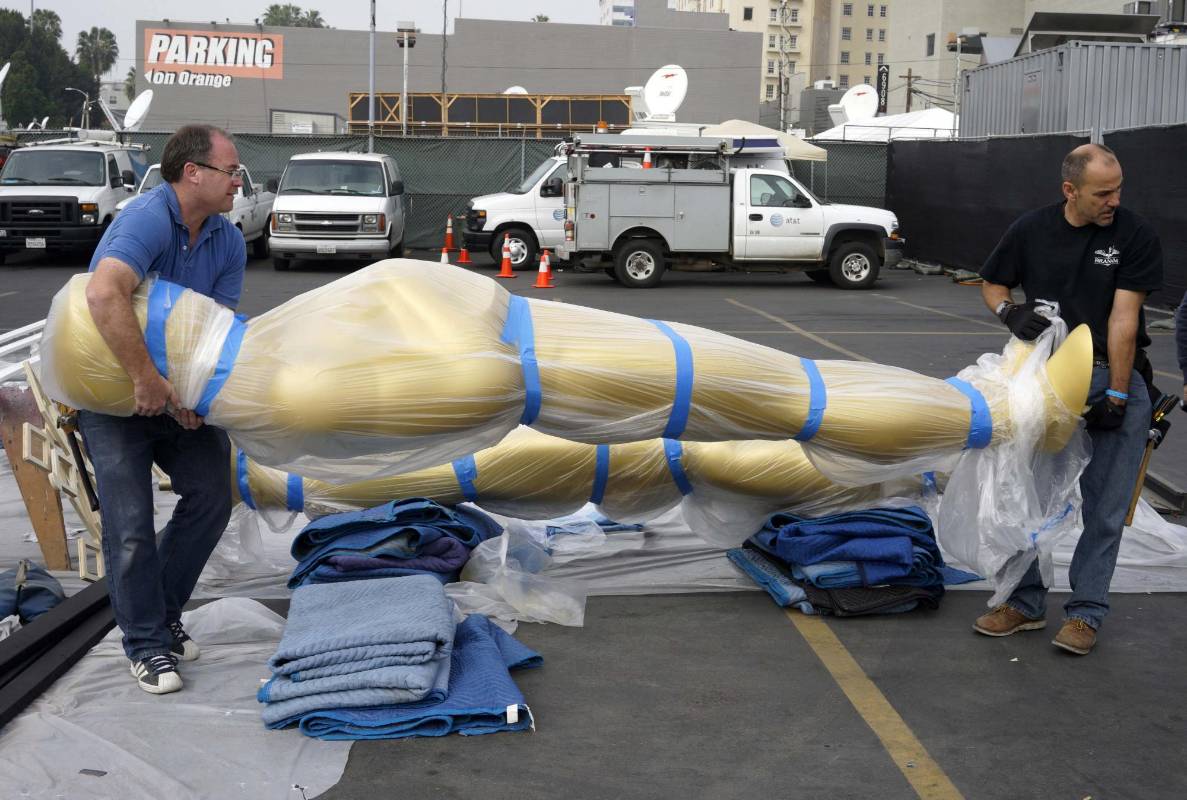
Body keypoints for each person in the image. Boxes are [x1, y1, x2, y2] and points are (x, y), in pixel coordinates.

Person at [974, 143, 1162, 655]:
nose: (1114, 201)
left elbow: (1123, 323)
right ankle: (1024, 603)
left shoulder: (1134, 235)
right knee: (1024, 495)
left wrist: (1119, 393)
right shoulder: (1031, 229)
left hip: (1110, 374)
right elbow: (992, 284)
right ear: (1069, 191)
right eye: (1103, 192)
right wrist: (1008, 313)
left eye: (1119, 188)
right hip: (1043, 383)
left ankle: (1086, 614)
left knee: (1105, 508)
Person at [79, 124, 247, 693]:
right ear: (192, 172)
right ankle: (146, 645)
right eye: (230, 170)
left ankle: (162, 616)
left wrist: (196, 399)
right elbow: (103, 294)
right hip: (114, 391)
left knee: (212, 495)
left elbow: (211, 333)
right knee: (130, 527)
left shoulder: (227, 239)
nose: (237, 181)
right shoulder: (147, 218)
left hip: (173, 392)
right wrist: (143, 378)